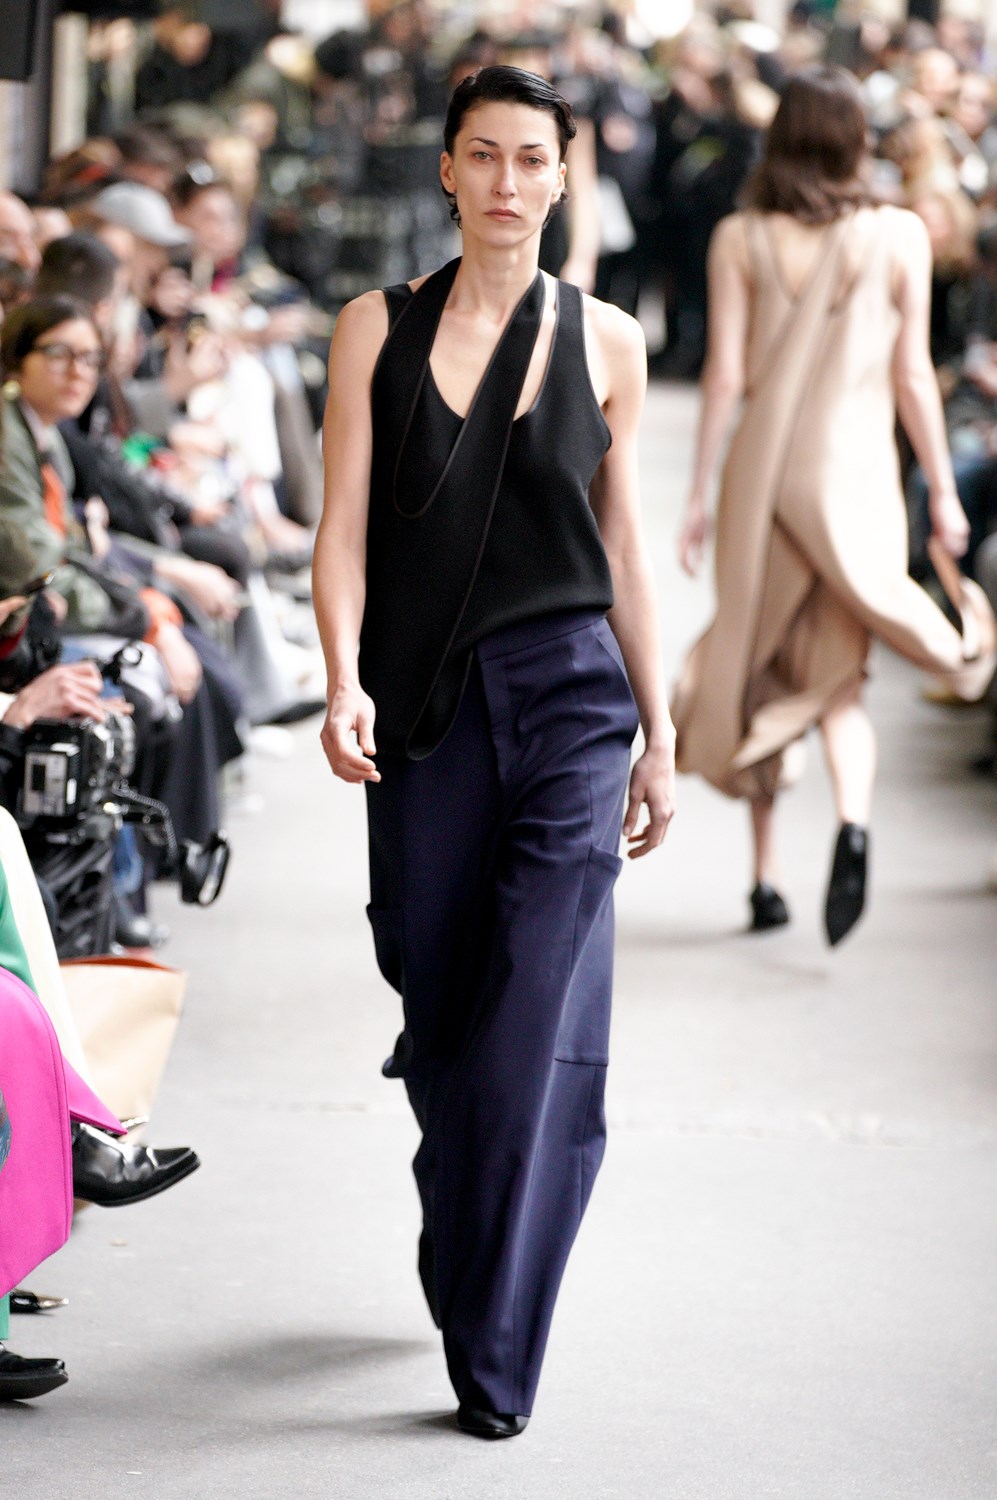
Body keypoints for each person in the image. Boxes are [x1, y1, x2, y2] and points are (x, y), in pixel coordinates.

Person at [314, 65, 675, 1438]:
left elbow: (625, 547)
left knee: (535, 1012)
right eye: (483, 155)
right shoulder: (375, 327)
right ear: (448, 171)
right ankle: (465, 1229)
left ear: (564, 176)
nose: (508, 182)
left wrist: (660, 731)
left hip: (575, 702)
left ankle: (497, 1349)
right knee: (446, 1007)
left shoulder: (608, 340)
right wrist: (339, 681)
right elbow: (342, 527)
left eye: (532, 158)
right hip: (424, 712)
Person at [673, 66, 997, 946]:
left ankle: (764, 878)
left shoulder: (740, 236)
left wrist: (698, 492)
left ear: (778, 137)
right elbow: (912, 377)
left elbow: (724, 375)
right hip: (855, 479)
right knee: (840, 679)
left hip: (764, 479)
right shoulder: (898, 235)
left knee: (761, 665)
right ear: (857, 141)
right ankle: (852, 824)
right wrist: (941, 497)